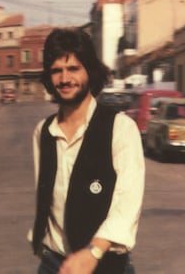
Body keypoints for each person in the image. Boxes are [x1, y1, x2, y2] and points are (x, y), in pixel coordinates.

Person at [31, 28, 145, 274]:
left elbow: (127, 203)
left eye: (73, 69)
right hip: (55, 264)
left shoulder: (120, 128)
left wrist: (93, 251)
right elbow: (46, 200)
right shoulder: (44, 132)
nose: (64, 78)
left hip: (105, 264)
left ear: (89, 72)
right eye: (56, 70)